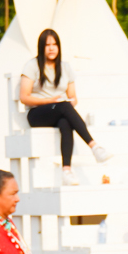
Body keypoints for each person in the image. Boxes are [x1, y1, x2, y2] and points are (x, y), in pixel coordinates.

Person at [19, 28, 107, 187]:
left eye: (54, 45)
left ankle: (66, 171)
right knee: (63, 107)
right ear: (41, 47)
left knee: (66, 122)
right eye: (47, 45)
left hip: (59, 110)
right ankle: (94, 146)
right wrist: (50, 101)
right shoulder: (32, 65)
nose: (51, 48)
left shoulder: (65, 67)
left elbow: (73, 97)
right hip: (38, 113)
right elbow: (24, 97)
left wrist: (67, 104)